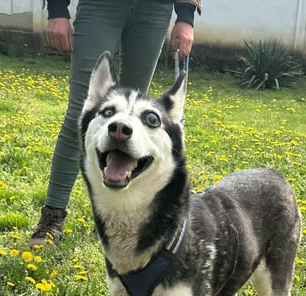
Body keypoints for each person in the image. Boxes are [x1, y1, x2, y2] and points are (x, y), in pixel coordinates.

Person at [29, 0, 202, 247]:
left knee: (133, 122)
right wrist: (57, 9)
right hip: (100, 6)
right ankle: (52, 216)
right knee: (80, 116)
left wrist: (186, 15)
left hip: (154, 9)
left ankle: (116, 219)